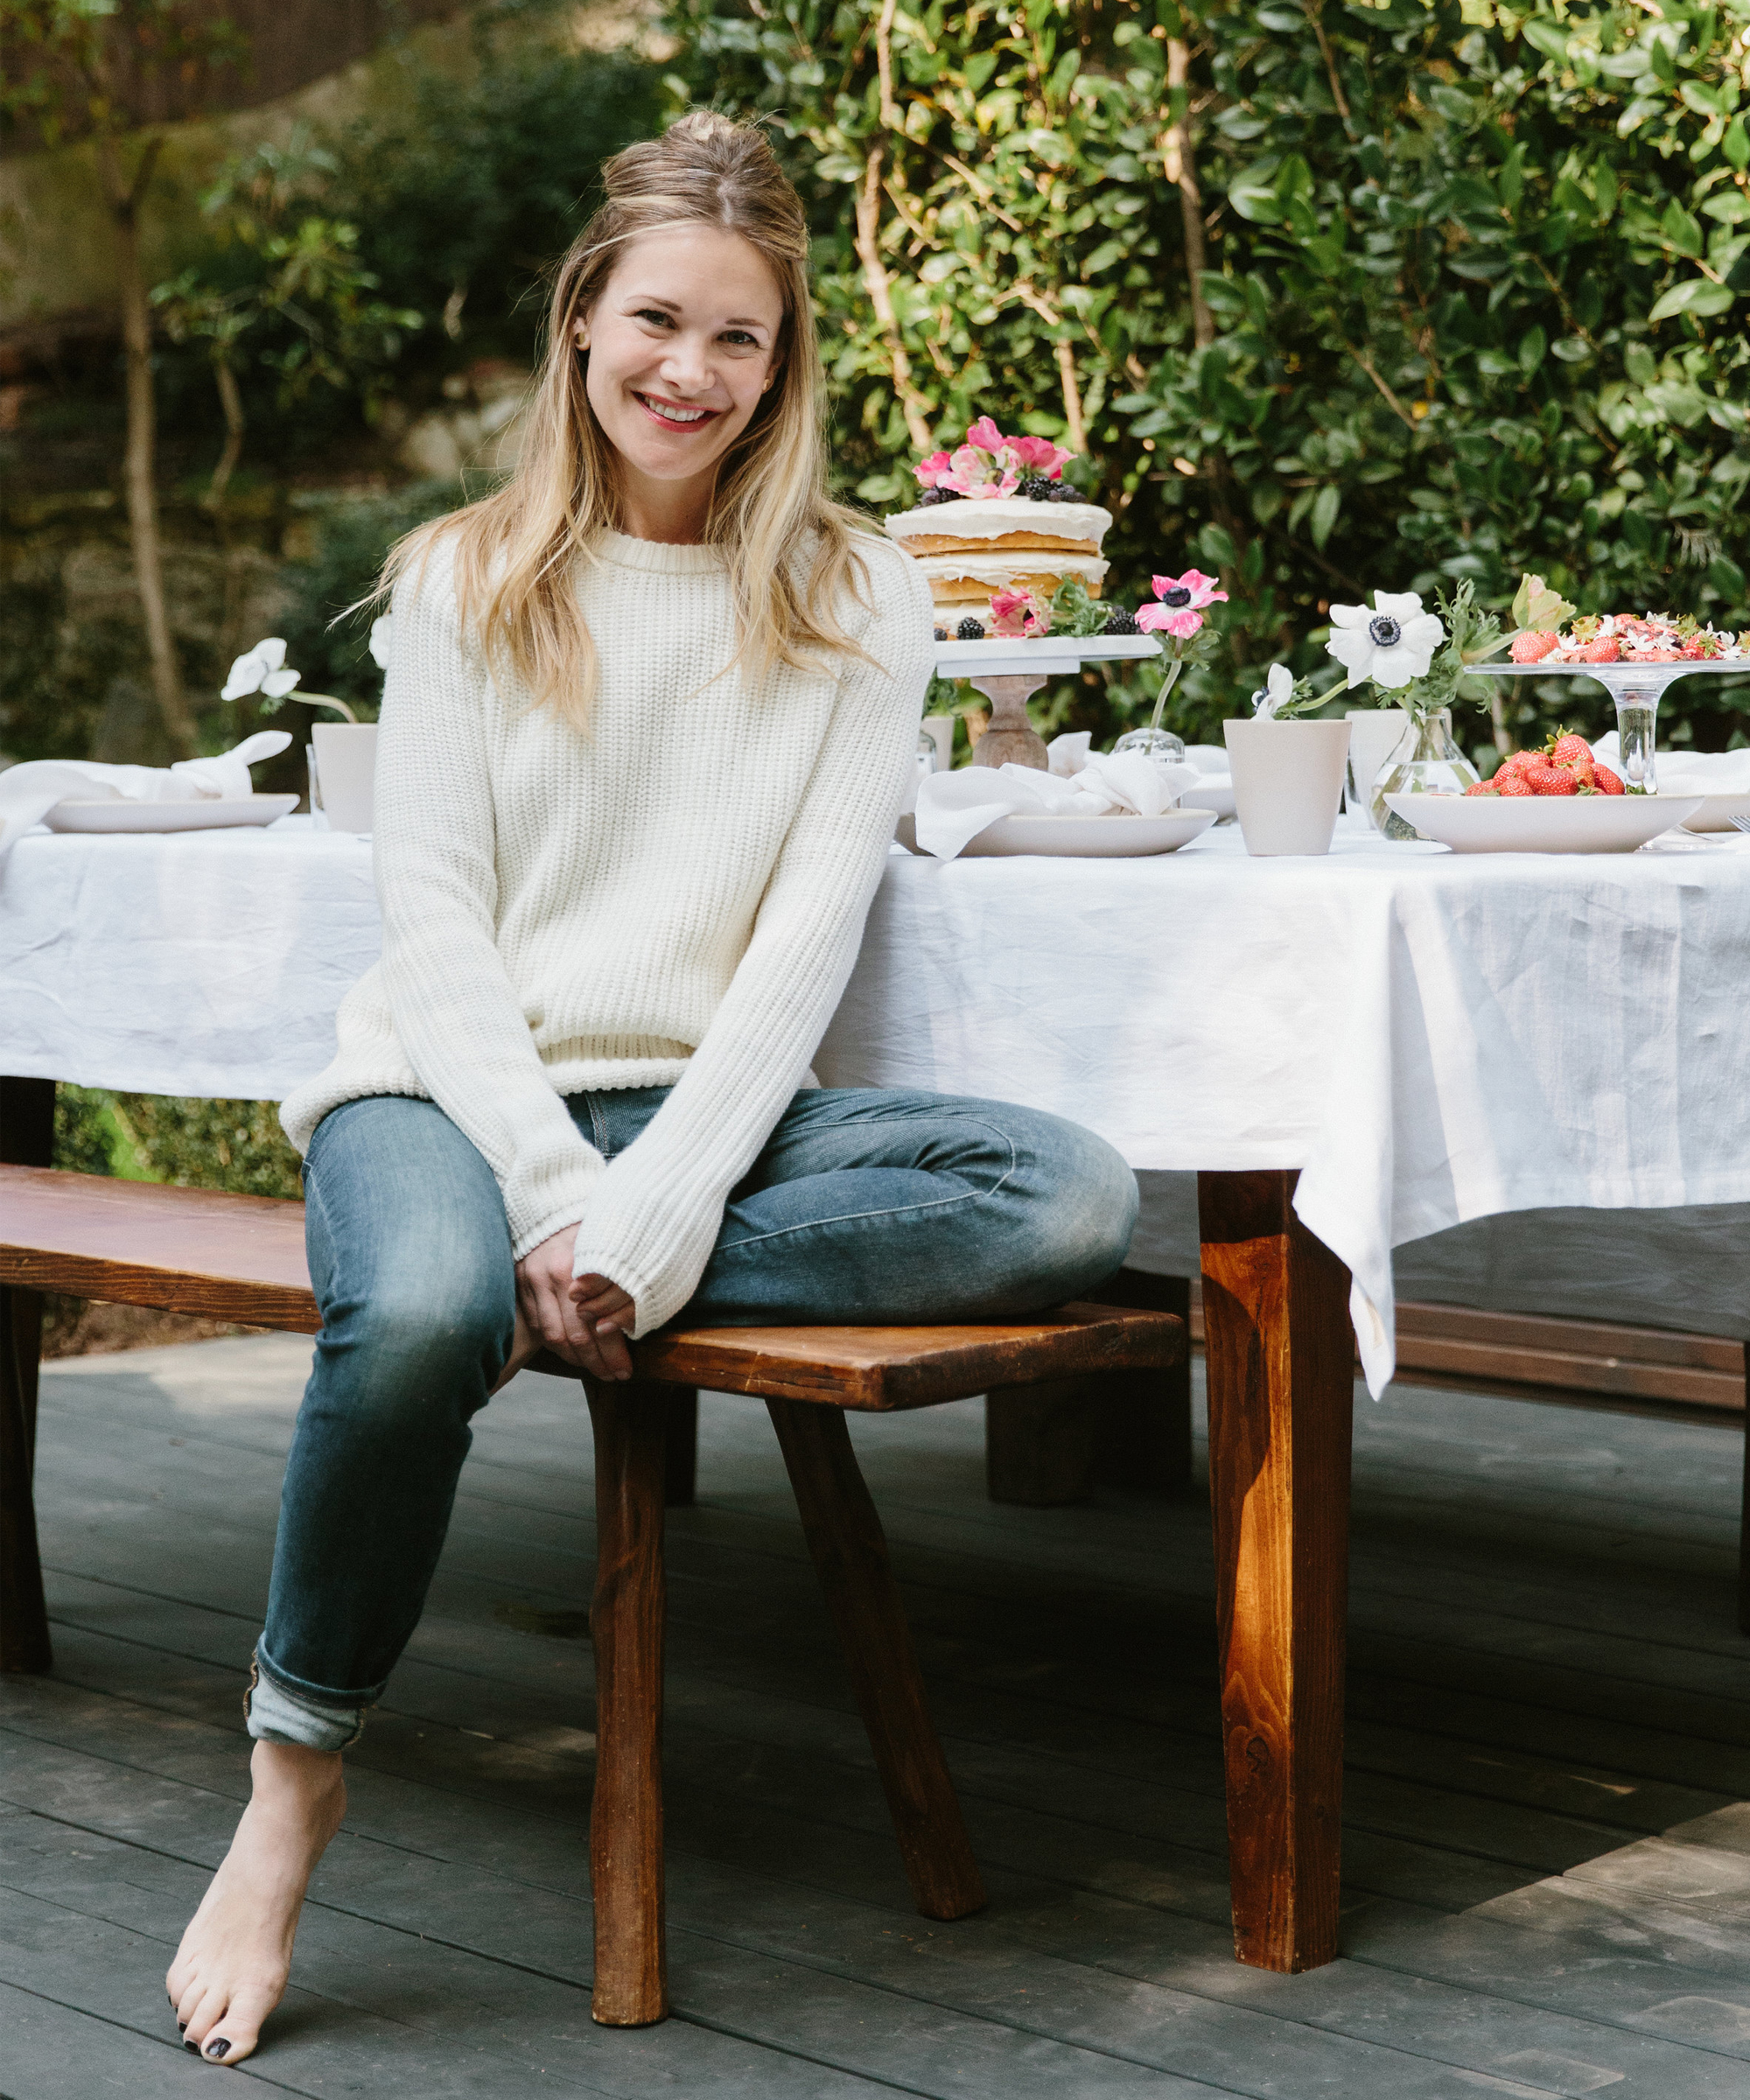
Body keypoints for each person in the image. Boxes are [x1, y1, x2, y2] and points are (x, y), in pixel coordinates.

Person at [165, 111, 1138, 2066]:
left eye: (741, 340)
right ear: (581, 321)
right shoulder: (462, 577)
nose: (689, 373)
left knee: (1063, 1196)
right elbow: (431, 921)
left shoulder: (860, 598)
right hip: (444, 1095)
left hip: (711, 1122)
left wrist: (655, 1214)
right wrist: (549, 1189)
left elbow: (798, 958)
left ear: (787, 367)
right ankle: (294, 1784)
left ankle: (619, 1274)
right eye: (657, 323)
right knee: (428, 1302)